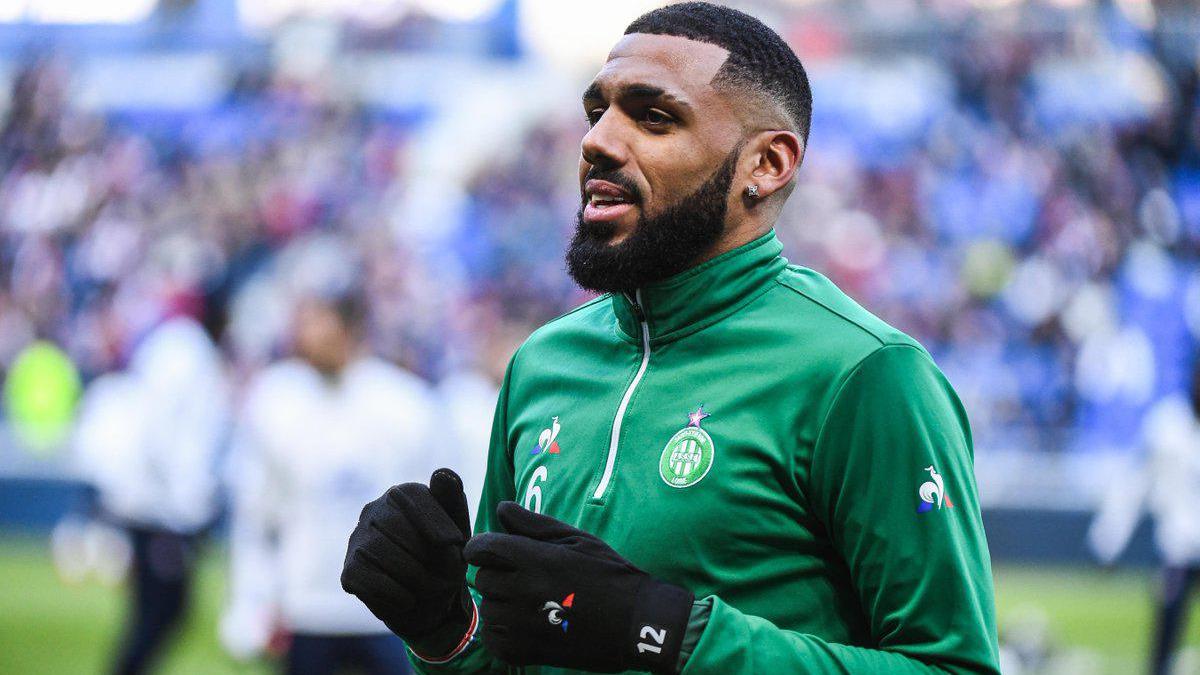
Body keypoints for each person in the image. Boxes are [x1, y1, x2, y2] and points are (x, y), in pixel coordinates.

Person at [342, 4, 1000, 674]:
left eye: (653, 117)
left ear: (767, 163)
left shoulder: (863, 372)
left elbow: (953, 668)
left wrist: (659, 628)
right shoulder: (541, 364)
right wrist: (448, 632)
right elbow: (513, 652)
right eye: (596, 112)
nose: (598, 141)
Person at [221, 289, 439, 674]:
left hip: (385, 608)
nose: (309, 335)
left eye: (320, 322)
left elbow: (430, 510)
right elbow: (257, 513)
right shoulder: (277, 401)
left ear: (350, 328)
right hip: (306, 605)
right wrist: (255, 599)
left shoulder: (404, 404)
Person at [74, 309, 230, 675]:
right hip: (162, 512)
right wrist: (184, 503)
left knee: (157, 614)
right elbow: (162, 430)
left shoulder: (175, 345)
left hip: (156, 506)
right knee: (161, 613)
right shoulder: (185, 349)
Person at [1088, 357, 1200, 675]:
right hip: (1177, 549)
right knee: (1164, 641)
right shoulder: (1168, 425)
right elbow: (1134, 486)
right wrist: (1108, 541)